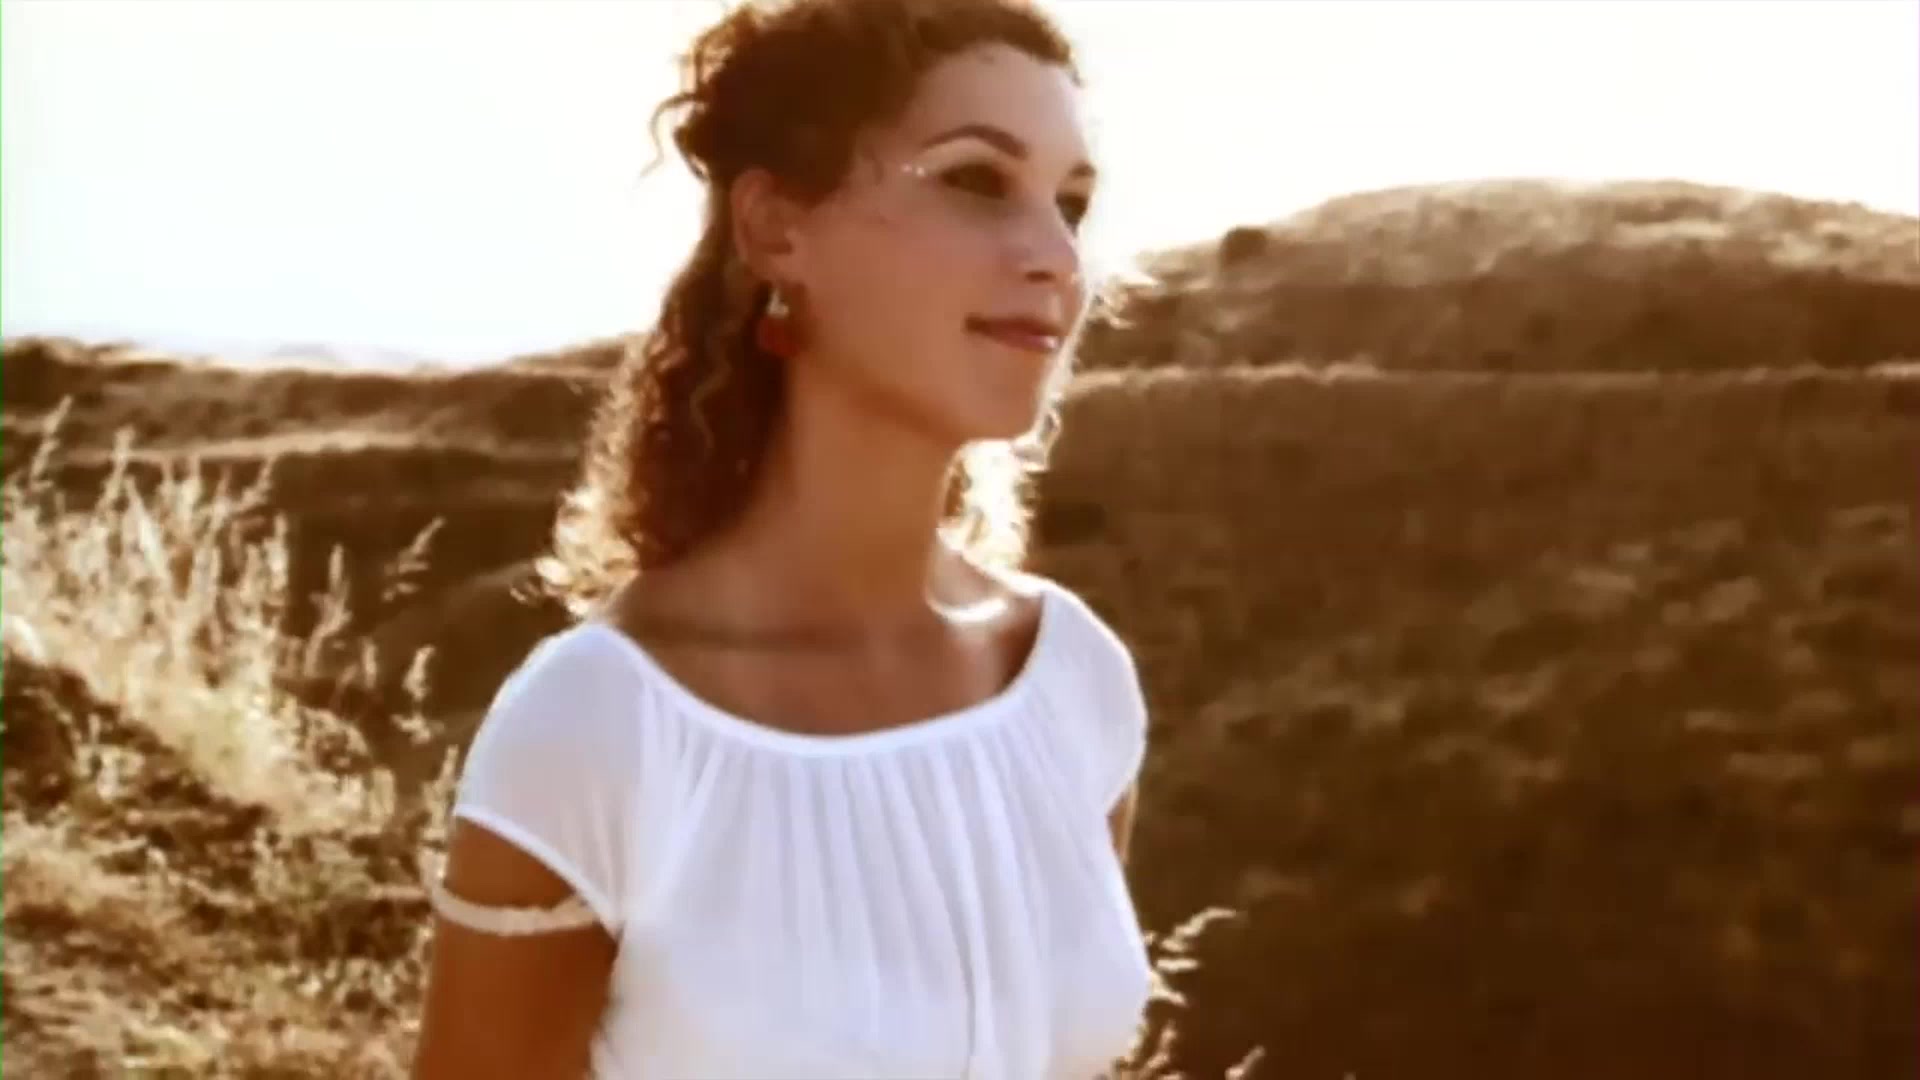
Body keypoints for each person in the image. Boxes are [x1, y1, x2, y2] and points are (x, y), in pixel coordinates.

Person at [412, 1, 1154, 1076]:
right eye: (976, 181)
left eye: (1072, 205)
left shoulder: (1071, 679)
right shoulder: (599, 727)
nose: (1056, 257)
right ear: (776, 229)